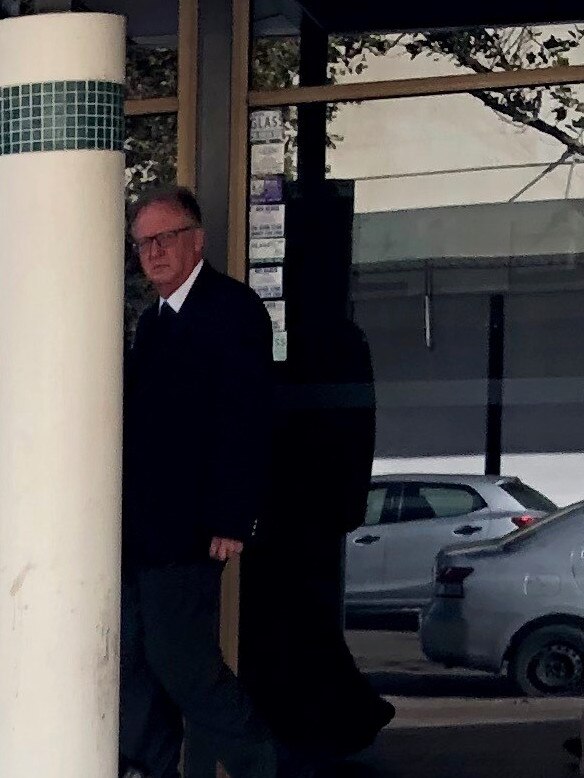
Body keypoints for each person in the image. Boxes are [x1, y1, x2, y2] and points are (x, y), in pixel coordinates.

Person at [120, 185, 286, 778]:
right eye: (143, 243)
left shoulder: (231, 309)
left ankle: (256, 766)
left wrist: (231, 517)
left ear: (197, 240)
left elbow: (246, 417)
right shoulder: (153, 321)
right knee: (137, 665)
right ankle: (149, 769)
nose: (154, 252)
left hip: (191, 531)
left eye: (164, 238)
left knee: (184, 664)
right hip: (142, 529)